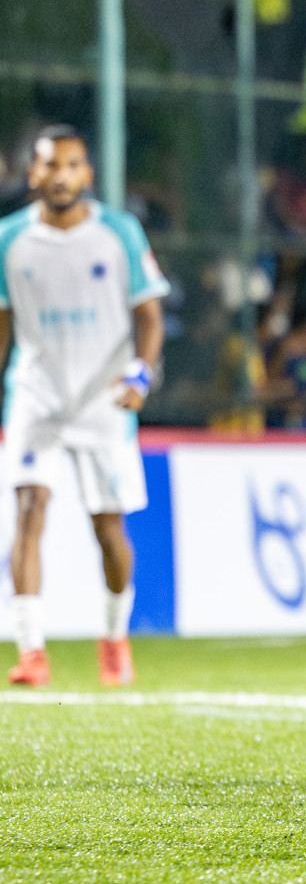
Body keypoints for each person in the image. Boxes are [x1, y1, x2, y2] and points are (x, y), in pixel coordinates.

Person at [1, 125, 168, 687]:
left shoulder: (118, 232)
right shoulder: (9, 238)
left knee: (108, 528)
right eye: (49, 165)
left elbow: (149, 316)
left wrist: (140, 372)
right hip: (34, 396)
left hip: (104, 400)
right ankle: (30, 651)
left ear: (86, 175)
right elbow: (3, 326)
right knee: (29, 510)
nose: (60, 175)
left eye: (72, 165)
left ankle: (115, 636)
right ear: (33, 174)